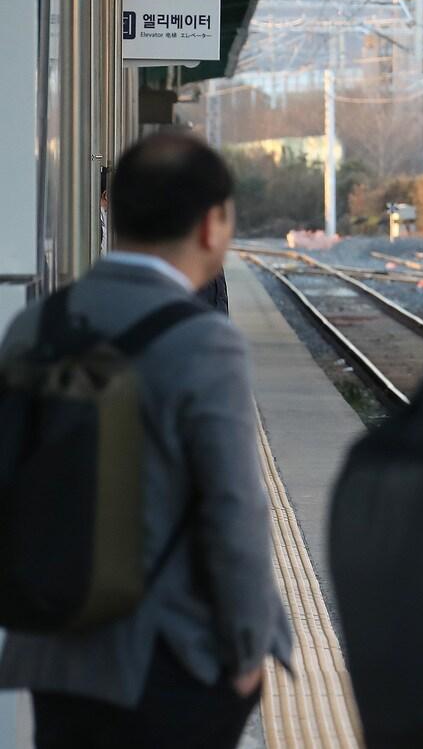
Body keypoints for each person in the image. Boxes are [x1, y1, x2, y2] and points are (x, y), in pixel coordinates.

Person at [0, 133, 292, 748]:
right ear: (211, 225)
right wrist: (248, 649)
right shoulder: (205, 341)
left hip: (55, 653)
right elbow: (234, 508)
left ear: (116, 210)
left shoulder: (36, 324)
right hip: (167, 659)